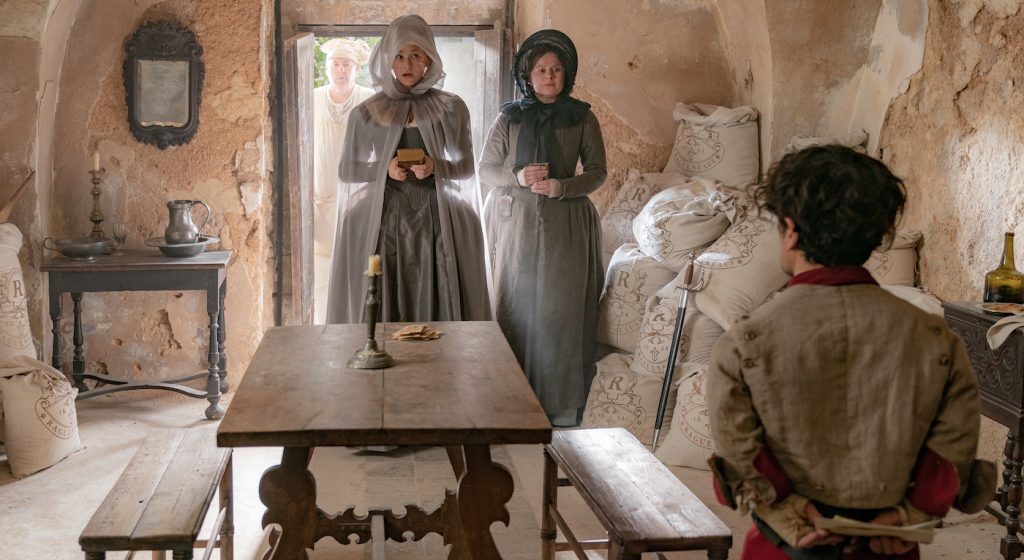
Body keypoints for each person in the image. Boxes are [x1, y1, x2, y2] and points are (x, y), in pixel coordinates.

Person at [706, 146, 995, 560]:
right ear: (876, 236)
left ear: (790, 230)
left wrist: (794, 517)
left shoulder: (744, 341)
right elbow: (951, 453)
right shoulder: (936, 338)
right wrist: (908, 516)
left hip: (785, 550)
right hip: (888, 549)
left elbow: (742, 453)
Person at [478, 29, 606, 426]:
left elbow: (599, 173)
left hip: (567, 222)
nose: (549, 76)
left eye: (556, 69)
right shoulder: (509, 117)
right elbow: (484, 170)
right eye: (540, 70)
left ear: (567, 73)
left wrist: (563, 186)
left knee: (560, 310)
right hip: (515, 223)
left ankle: (562, 407)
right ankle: (512, 403)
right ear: (527, 76)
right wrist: (517, 177)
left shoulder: (583, 117)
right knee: (514, 305)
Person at [326, 15, 490, 324]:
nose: (407, 64)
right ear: (388, 59)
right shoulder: (367, 112)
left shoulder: (452, 108)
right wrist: (384, 169)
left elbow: (467, 167)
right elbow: (347, 171)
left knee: (464, 226)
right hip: (384, 214)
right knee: (359, 231)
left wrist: (436, 166)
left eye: (415, 55)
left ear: (428, 57)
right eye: (399, 56)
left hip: (438, 211)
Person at [313, 38, 374, 323]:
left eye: (346, 64)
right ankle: (320, 324)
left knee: (355, 263)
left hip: (355, 195)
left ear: (357, 67)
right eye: (335, 64)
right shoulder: (312, 98)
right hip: (318, 194)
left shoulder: (368, 99)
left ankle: (353, 323)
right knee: (320, 268)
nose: (340, 70)